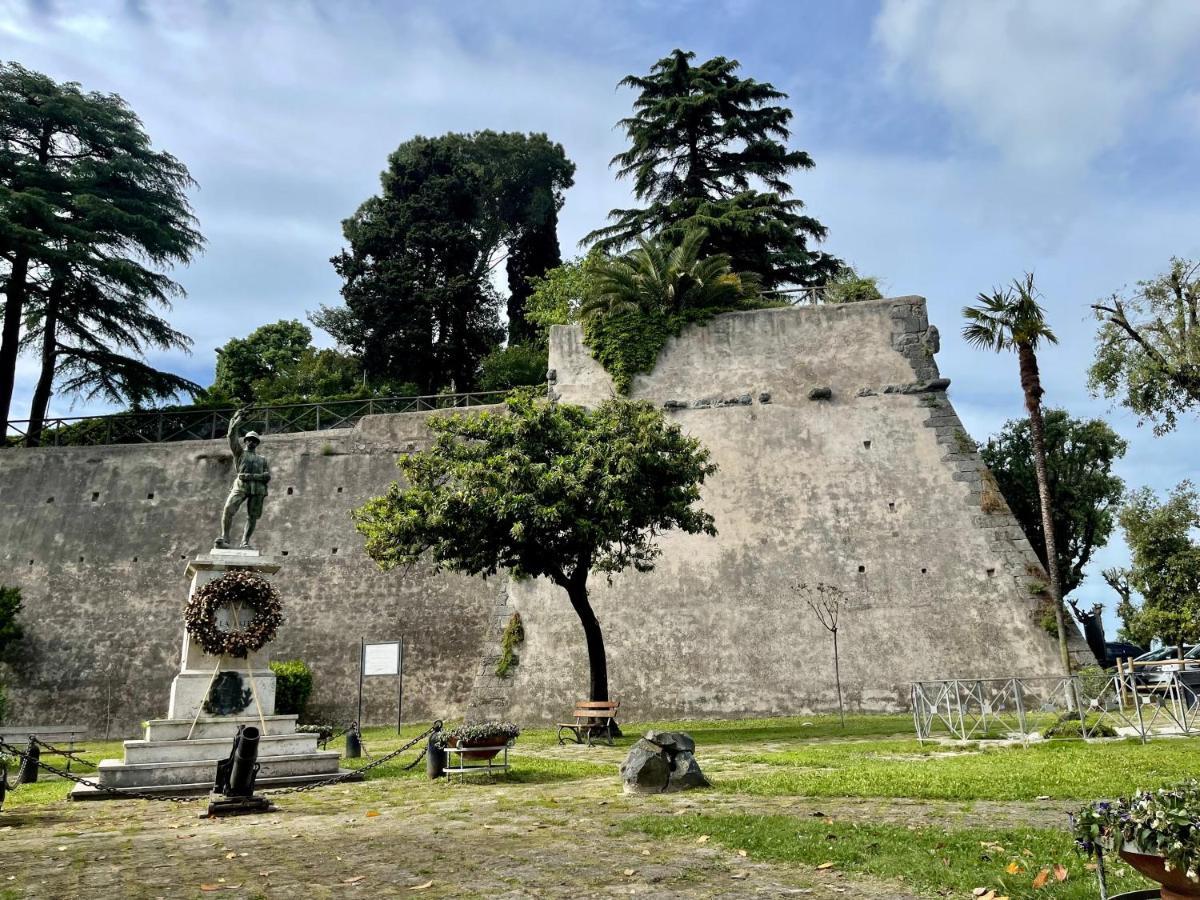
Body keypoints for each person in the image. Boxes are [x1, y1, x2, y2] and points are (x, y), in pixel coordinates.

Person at [215, 408, 270, 549]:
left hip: (258, 489)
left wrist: (256, 476)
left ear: (257, 443)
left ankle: (245, 542)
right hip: (241, 485)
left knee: (252, 516)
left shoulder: (262, 459)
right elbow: (231, 436)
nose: (251, 442)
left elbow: (267, 476)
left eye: (254, 440)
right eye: (249, 440)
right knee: (228, 509)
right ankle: (225, 537)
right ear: (245, 441)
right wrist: (236, 421)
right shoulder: (239, 453)